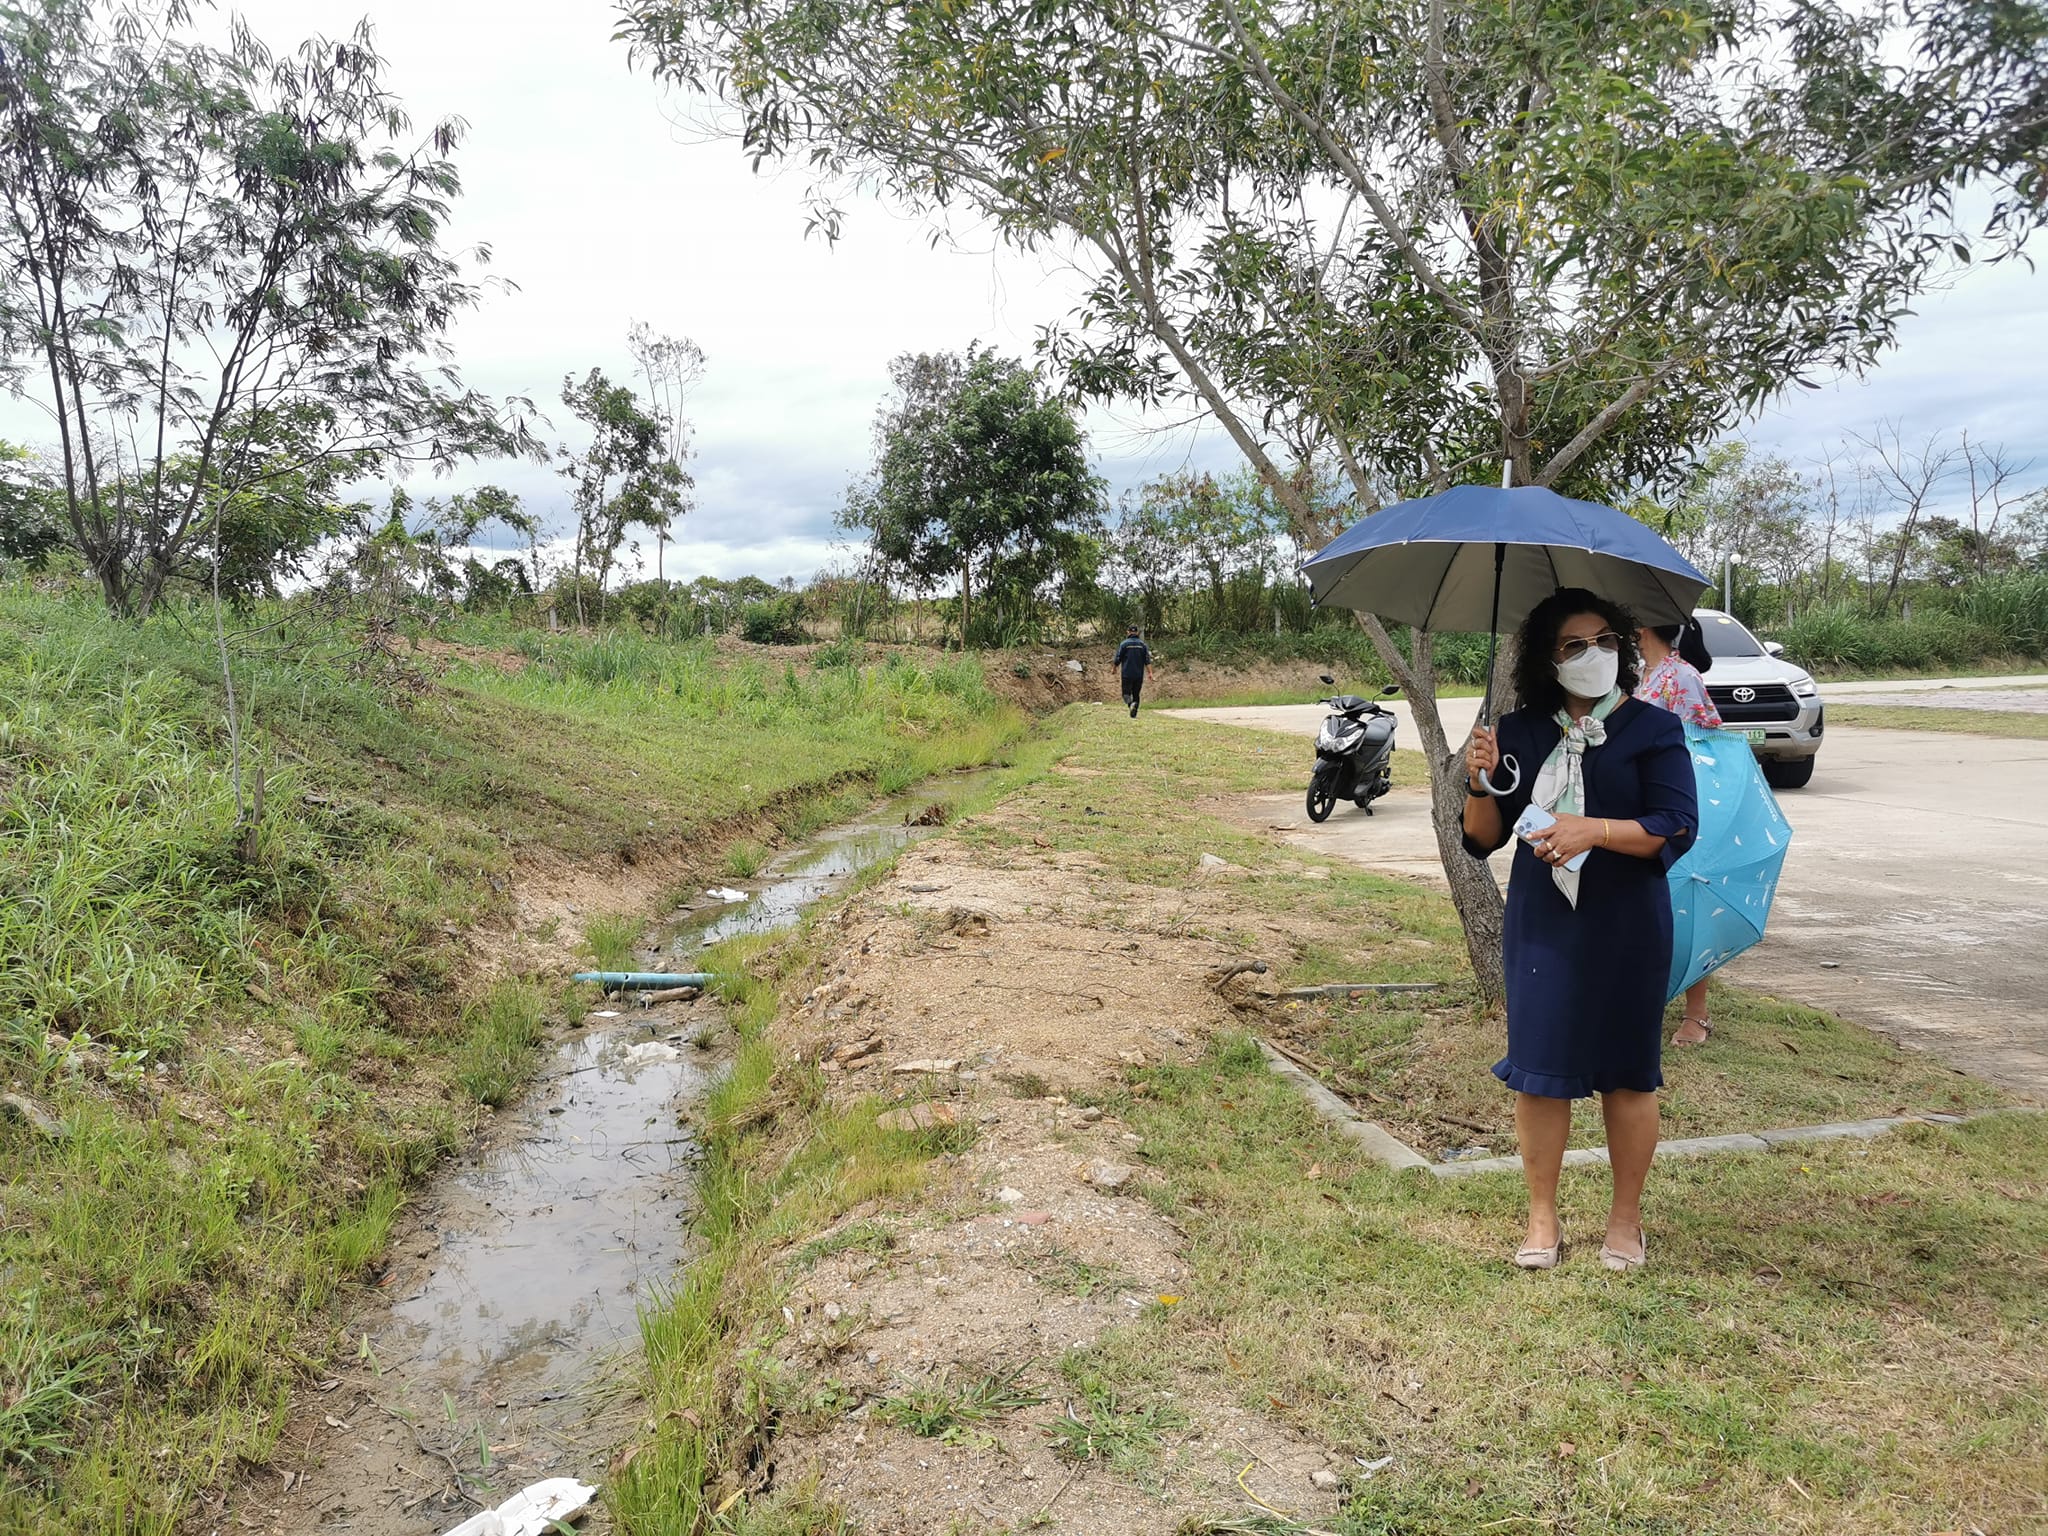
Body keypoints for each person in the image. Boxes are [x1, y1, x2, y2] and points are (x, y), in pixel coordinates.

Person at [1462, 589, 1698, 1273]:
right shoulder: (1520, 731)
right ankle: (1543, 1217)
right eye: (1573, 645)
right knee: (1541, 1074)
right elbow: (1483, 840)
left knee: (1629, 1076)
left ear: (1622, 647)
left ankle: (1626, 1223)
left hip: (1627, 922)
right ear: (1547, 658)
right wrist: (1480, 783)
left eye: (1603, 640)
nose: (1592, 655)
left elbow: (1674, 826)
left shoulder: (1652, 728)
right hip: (1543, 924)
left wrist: (1591, 830)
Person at [1635, 616, 1722, 1047]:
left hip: (1675, 803)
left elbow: (1702, 744)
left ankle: (1697, 1013)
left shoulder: (1681, 675)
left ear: (1644, 626)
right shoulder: (1643, 674)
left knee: (1688, 905)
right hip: (1639, 804)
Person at [1114, 626, 1153, 717]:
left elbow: (1118, 658)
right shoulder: (1142, 645)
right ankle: (1134, 714)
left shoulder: (1124, 644)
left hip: (1127, 674)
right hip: (1139, 674)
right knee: (1136, 694)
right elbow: (1147, 660)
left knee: (1126, 694)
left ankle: (1131, 704)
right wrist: (1150, 673)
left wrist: (1114, 667)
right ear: (1137, 633)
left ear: (1128, 632)